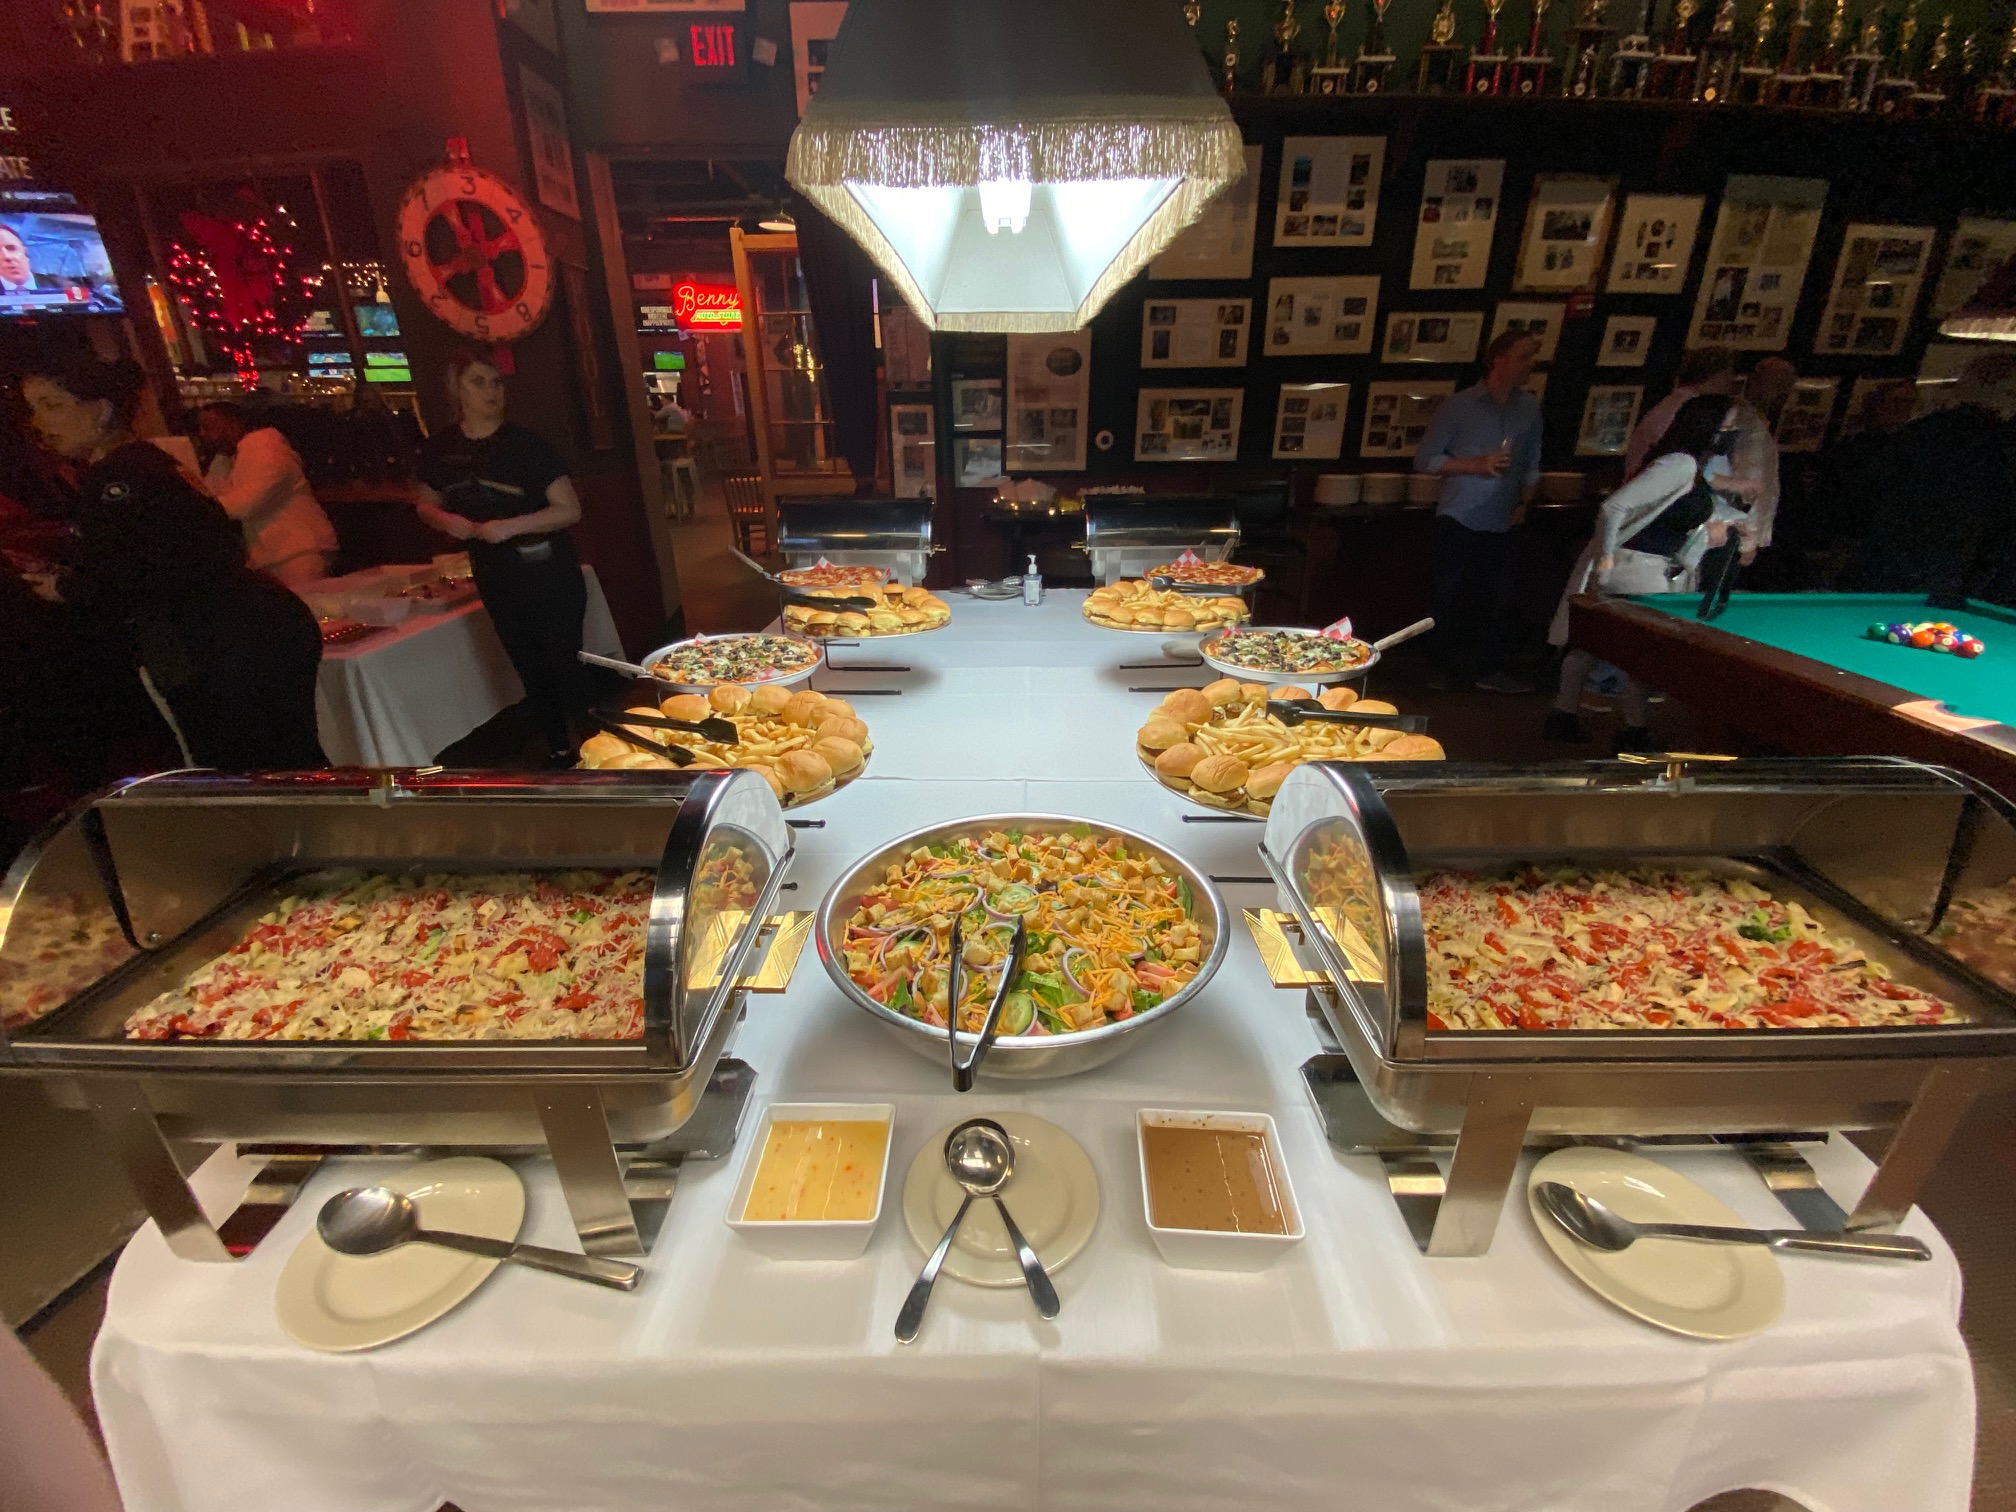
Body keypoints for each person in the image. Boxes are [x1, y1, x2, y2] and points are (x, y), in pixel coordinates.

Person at [19, 354, 326, 771]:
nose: (39, 422)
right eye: (33, 408)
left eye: (52, 405)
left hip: (216, 645)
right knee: (286, 765)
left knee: (249, 775)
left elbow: (134, 573)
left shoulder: (117, 478)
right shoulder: (150, 461)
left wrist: (63, 586)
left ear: (101, 410)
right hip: (253, 625)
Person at [415, 351, 589, 765]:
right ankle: (558, 749)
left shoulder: (526, 445)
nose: (492, 391)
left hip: (548, 571)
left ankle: (592, 747)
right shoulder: (440, 449)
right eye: (478, 382)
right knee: (527, 664)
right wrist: (445, 520)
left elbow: (570, 509)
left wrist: (510, 527)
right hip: (494, 573)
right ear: (456, 390)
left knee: (564, 663)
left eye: (496, 382)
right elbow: (424, 503)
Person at [1546, 393, 1738, 753]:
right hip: (1639, 569)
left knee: (1592, 643)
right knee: (1642, 654)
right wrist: (1606, 557)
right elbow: (1614, 507)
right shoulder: (1680, 464)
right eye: (1727, 426)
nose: (1732, 434)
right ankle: (1634, 729)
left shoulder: (1684, 464)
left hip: (1641, 564)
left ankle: (1566, 714)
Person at [1412, 330, 1544, 693]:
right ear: (1497, 359)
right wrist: (1475, 464)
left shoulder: (1529, 408)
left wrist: (1524, 503)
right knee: (1446, 594)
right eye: (1523, 357)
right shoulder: (1459, 406)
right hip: (1459, 513)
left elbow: (1532, 463)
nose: (1531, 365)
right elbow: (1425, 459)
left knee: (1498, 598)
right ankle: (1437, 670)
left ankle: (1489, 671)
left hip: (1503, 516)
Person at [1841, 354, 2016, 606]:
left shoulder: (1920, 431)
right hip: (1953, 577)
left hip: (1887, 565)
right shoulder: (2000, 445)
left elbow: (1868, 496)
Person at [196, 401, 339, 585]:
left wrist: (201, 506)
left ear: (232, 423)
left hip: (297, 550)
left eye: (208, 427)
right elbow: (209, 493)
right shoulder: (226, 459)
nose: (202, 434)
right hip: (279, 552)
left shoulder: (264, 446)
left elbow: (247, 504)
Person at [1624, 347, 1741, 479]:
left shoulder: (1672, 404)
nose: (1732, 382)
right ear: (1718, 376)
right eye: (1729, 375)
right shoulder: (1692, 410)